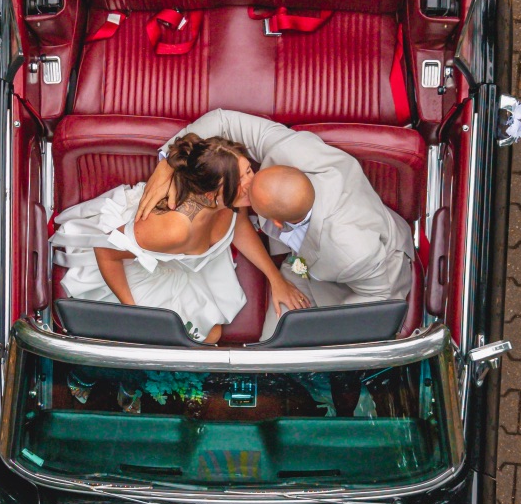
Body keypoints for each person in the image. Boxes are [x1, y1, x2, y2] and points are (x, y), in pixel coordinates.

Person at [137, 110, 413, 339]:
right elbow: (223, 120)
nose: (242, 185)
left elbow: (381, 299)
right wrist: (167, 164)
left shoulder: (354, 254)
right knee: (271, 344)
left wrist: (319, 336)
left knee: (315, 346)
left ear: (276, 223)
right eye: (250, 173)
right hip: (302, 265)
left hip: (368, 280)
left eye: (247, 193)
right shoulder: (293, 151)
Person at [50, 134, 308, 345]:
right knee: (199, 337)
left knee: (211, 334)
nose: (251, 184)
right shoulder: (174, 229)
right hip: (134, 265)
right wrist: (134, 312)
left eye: (249, 170)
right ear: (210, 197)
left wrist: (276, 279)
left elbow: (237, 224)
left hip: (180, 261)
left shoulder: (227, 199)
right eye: (239, 182)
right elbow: (105, 251)